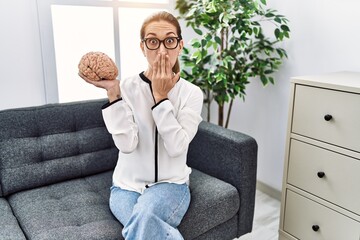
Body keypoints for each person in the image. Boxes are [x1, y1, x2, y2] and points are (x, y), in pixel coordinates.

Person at [79, 11, 203, 240]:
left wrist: (160, 97)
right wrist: (113, 94)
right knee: (145, 224)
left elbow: (177, 147)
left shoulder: (192, 94)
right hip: (125, 188)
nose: (162, 50)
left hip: (171, 186)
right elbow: (126, 144)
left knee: (144, 218)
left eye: (170, 40)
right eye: (153, 41)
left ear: (180, 45)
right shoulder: (126, 88)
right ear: (143, 47)